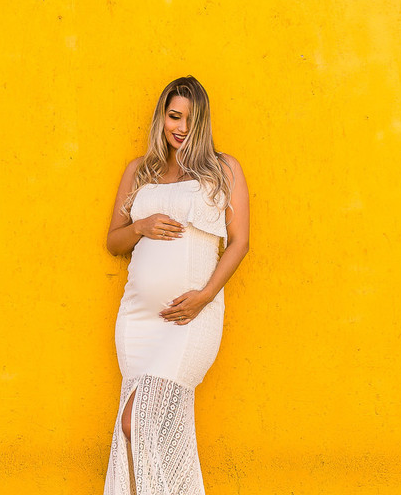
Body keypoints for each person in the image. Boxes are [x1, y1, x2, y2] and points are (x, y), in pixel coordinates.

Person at [103, 75, 250, 495]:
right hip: (138, 322)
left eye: (190, 118)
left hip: (190, 320)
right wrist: (142, 226)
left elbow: (239, 242)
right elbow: (114, 240)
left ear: (202, 122)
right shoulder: (140, 171)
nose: (180, 127)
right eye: (173, 116)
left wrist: (205, 297)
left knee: (135, 422)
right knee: (155, 435)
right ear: (162, 118)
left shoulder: (223, 169)